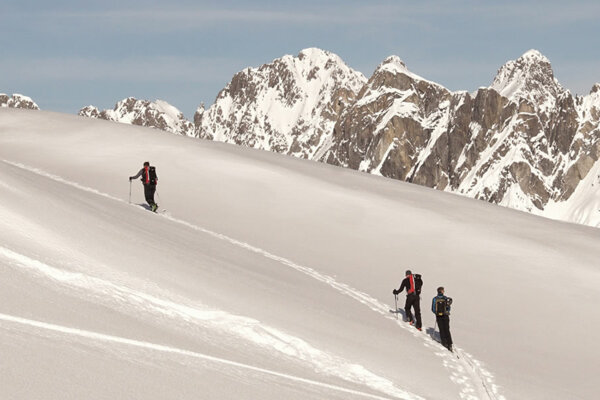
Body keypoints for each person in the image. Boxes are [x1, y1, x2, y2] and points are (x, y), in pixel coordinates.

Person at [432, 286, 453, 352]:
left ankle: (444, 342)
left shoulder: (435, 299)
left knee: (441, 329)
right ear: (441, 291)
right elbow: (448, 307)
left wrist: (436, 313)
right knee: (447, 329)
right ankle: (449, 343)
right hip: (445, 315)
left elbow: (433, 308)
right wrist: (447, 311)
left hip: (438, 316)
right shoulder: (445, 298)